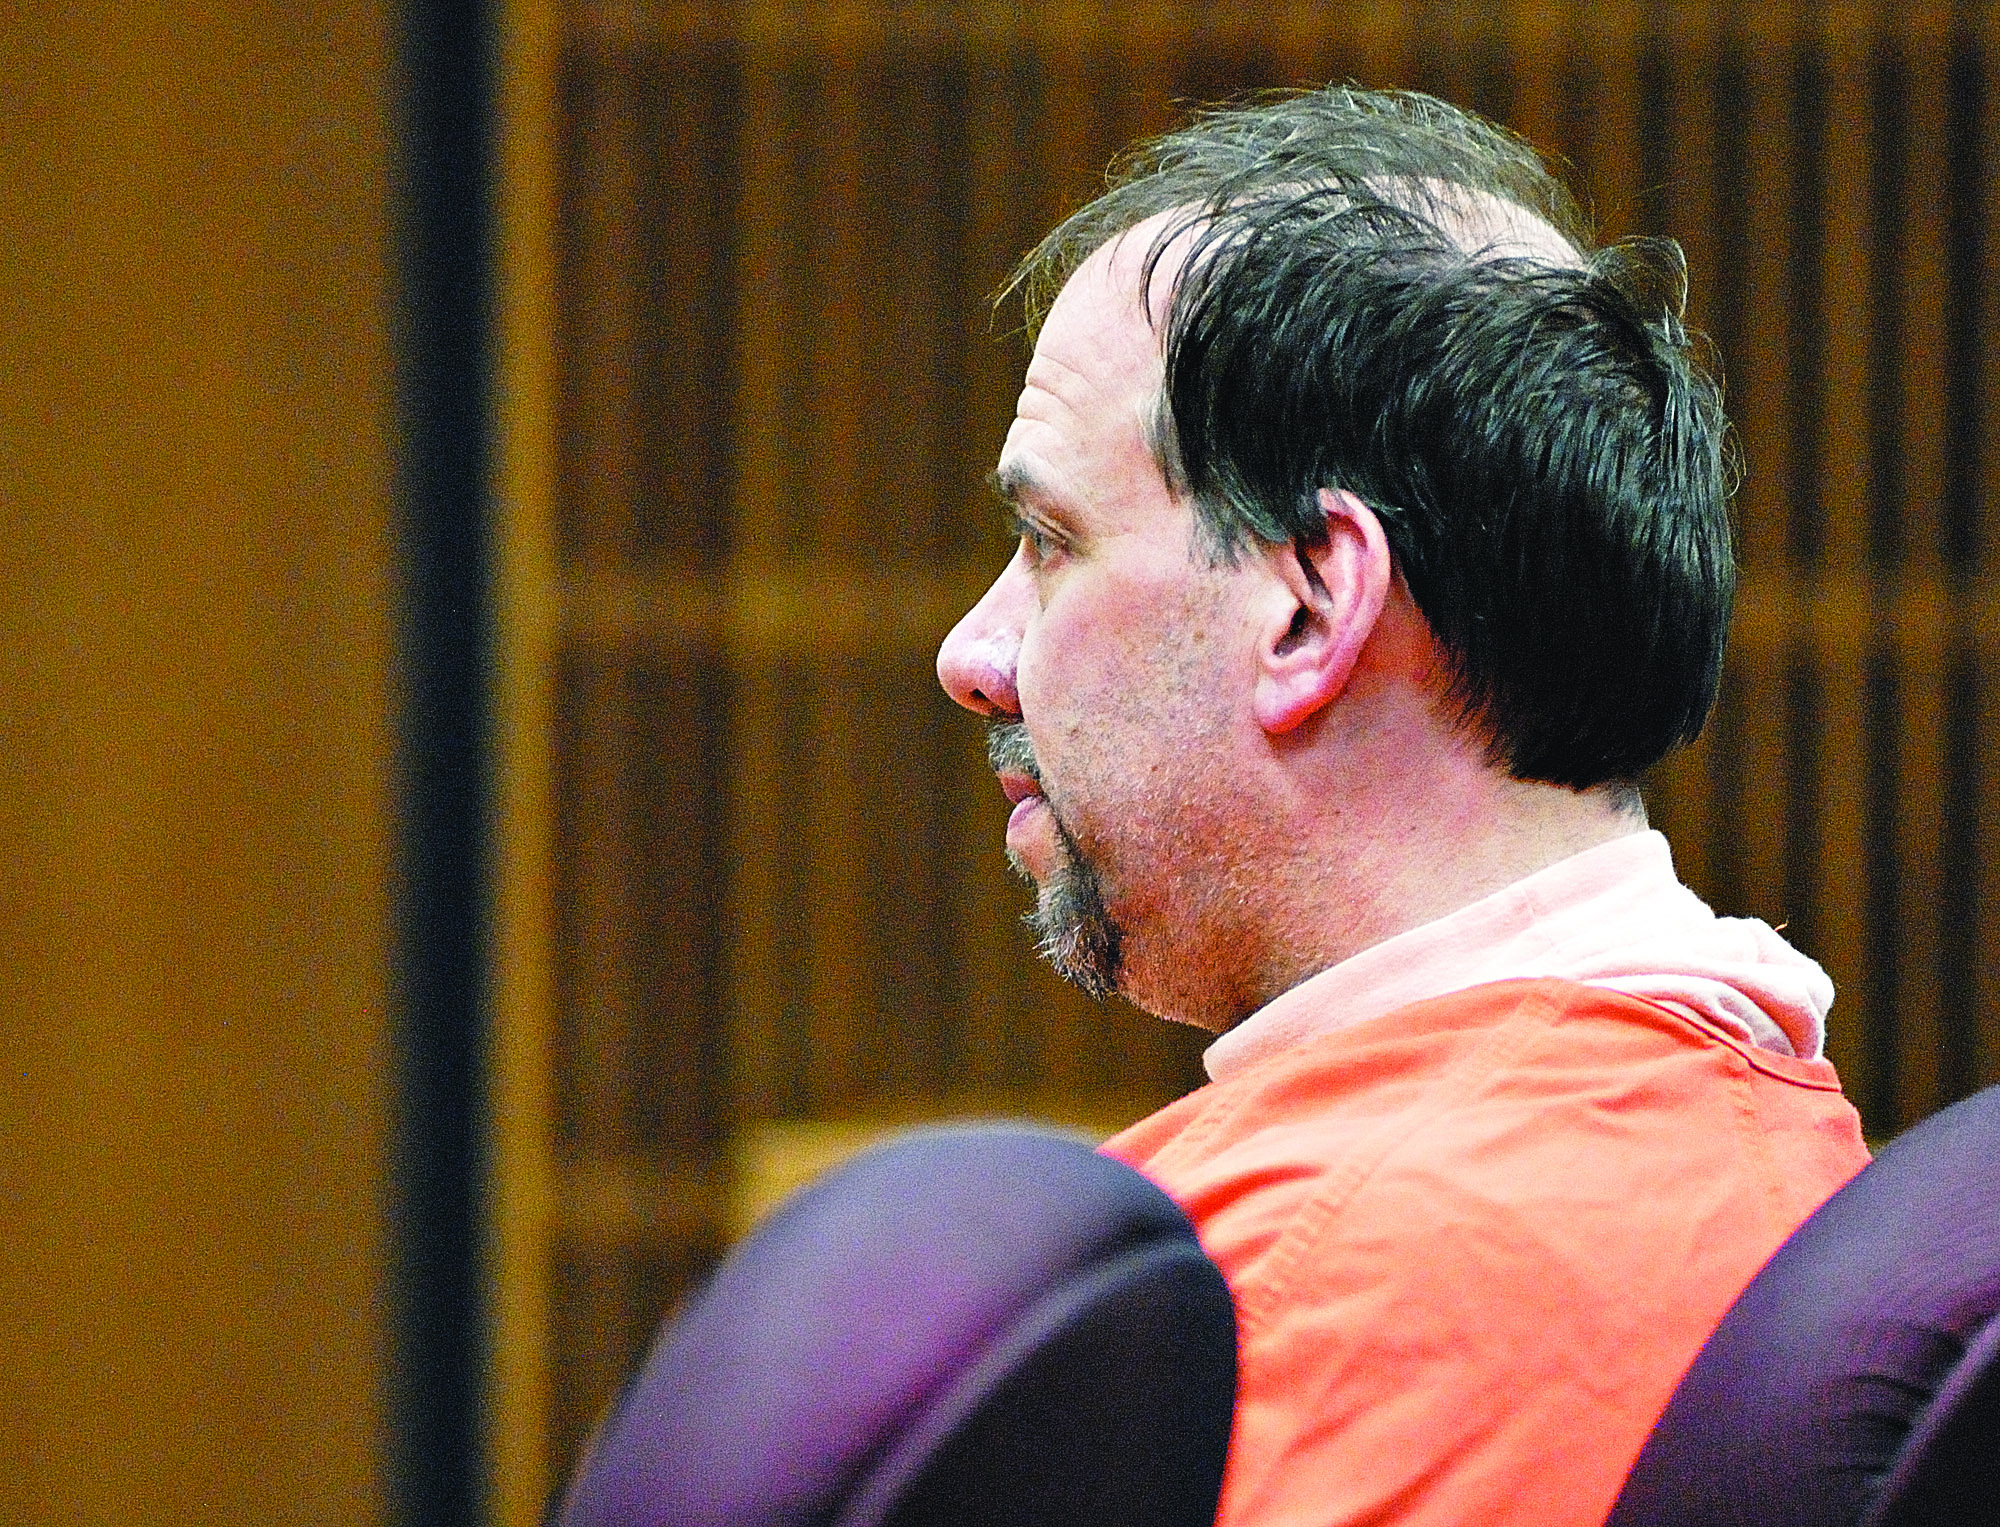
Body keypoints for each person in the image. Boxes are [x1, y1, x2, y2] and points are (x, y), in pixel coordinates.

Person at [934, 87, 1869, 1527]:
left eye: (1050, 543)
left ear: (1311, 602)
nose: (973, 657)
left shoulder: (1296, 1292)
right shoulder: (1762, 1132)